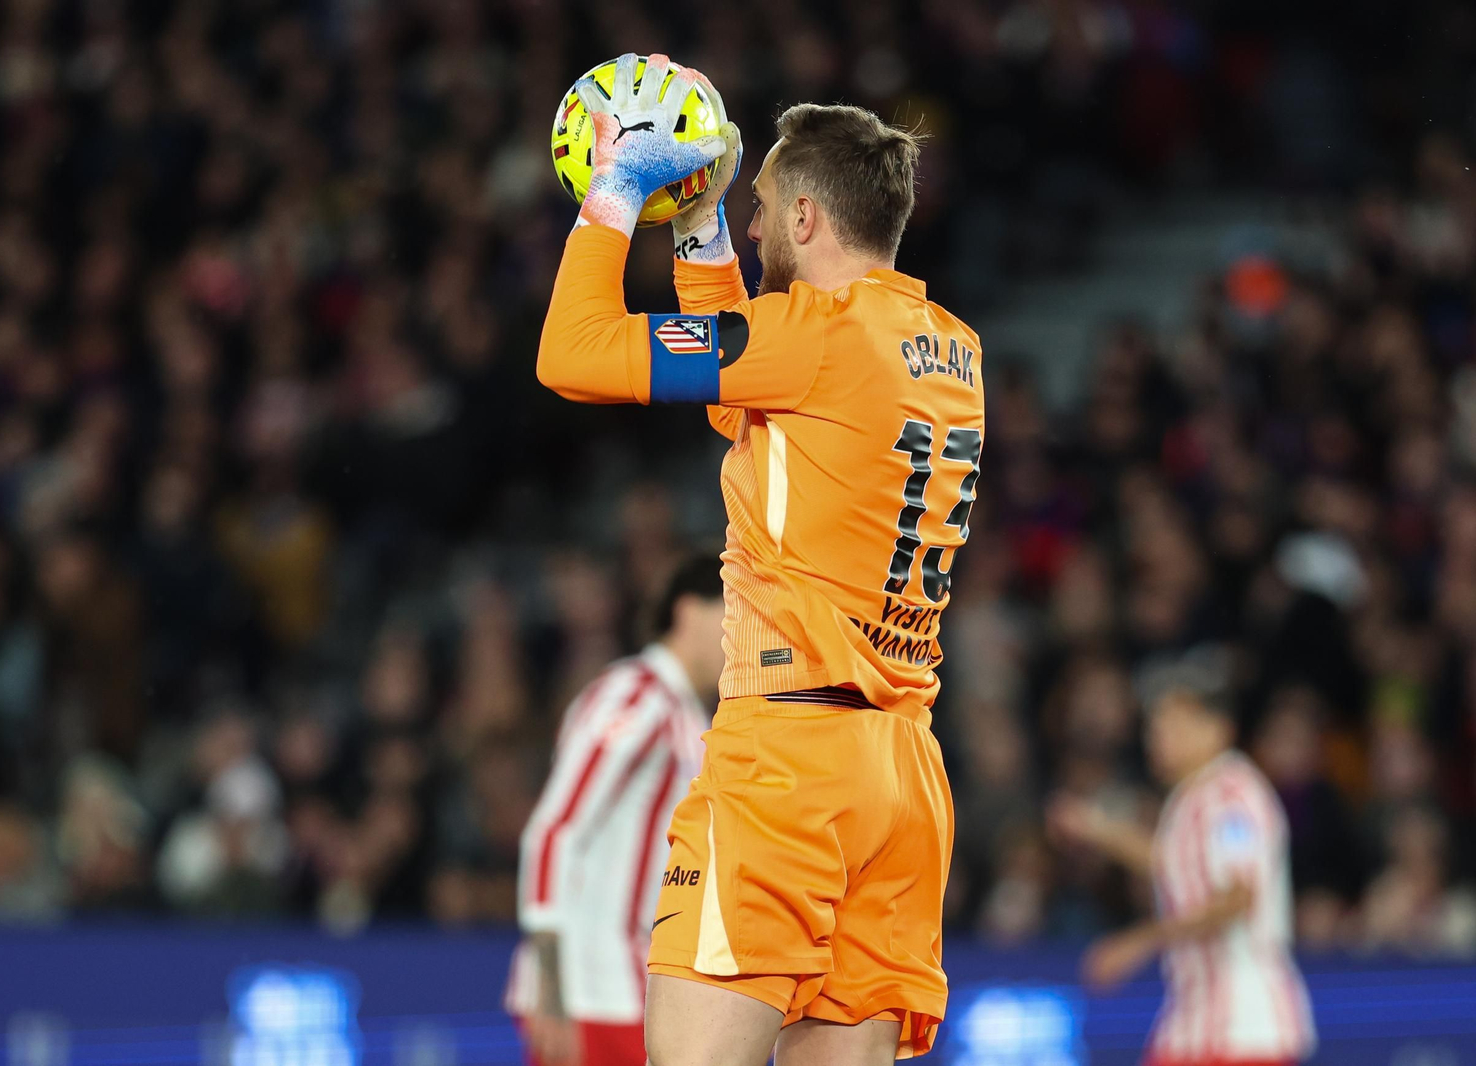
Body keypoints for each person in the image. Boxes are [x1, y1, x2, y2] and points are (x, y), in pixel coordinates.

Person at [536, 53, 983, 1066]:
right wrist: (695, 226)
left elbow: (571, 351)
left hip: (787, 762)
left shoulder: (810, 337)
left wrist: (618, 186)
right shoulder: (947, 345)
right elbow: (743, 393)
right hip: (901, 772)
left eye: (763, 207)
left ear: (809, 221)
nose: (752, 225)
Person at [508, 556, 725, 1066]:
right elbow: (554, 832)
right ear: (690, 611)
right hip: (592, 989)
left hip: (633, 984)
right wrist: (553, 988)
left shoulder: (685, 712)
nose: (741, 638)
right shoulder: (636, 697)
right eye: (732, 616)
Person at [1048, 677, 1317, 1066]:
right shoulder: (1194, 794)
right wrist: (1093, 827)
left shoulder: (1233, 797)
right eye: (1155, 727)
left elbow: (1237, 898)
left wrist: (1138, 943)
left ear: (1218, 729)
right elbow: (1172, 861)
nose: (1158, 738)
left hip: (1244, 1026)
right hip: (1193, 1020)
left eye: (1174, 725)